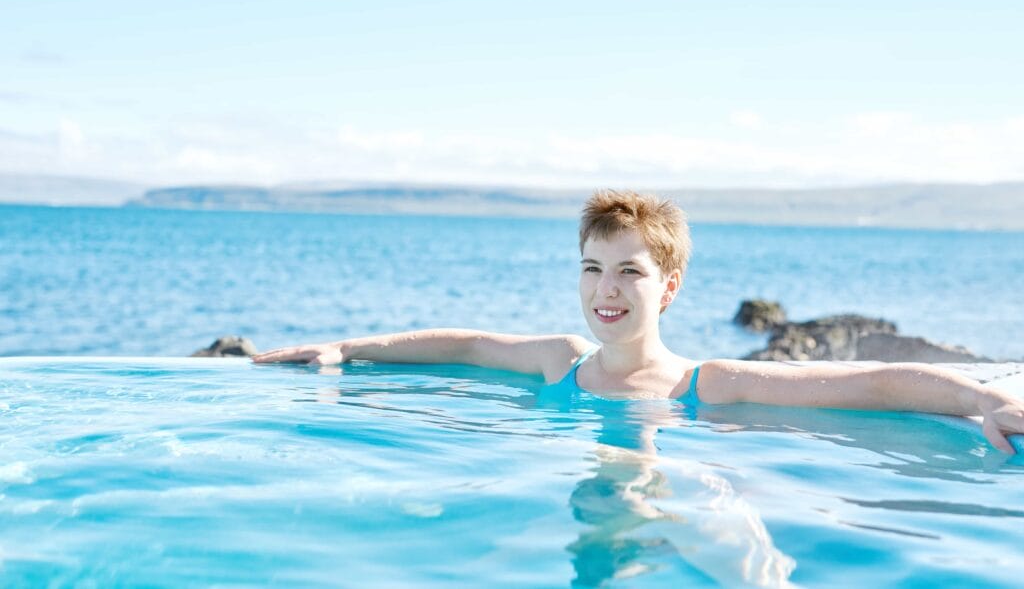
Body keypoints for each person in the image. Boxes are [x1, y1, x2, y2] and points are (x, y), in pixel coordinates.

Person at [252, 189, 1024, 454]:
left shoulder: (707, 383)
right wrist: (347, 348)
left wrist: (982, 399)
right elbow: (464, 341)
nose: (606, 290)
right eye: (592, 269)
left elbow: (874, 381)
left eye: (629, 271)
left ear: (670, 287)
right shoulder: (560, 360)